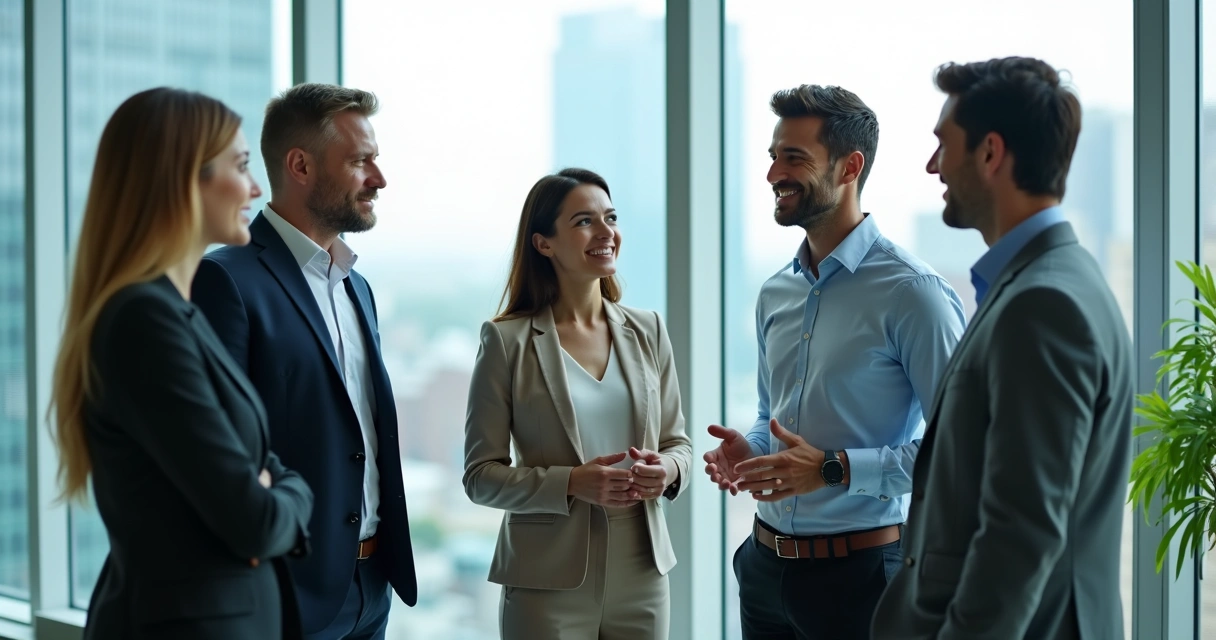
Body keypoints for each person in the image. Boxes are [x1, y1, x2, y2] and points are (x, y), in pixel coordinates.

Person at [871, 57, 1134, 640]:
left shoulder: (1044, 304)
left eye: (944, 144)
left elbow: (1021, 532)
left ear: (990, 153)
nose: (933, 165)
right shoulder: (1054, 280)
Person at [701, 85, 966, 639]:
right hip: (763, 572)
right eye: (773, 156)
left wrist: (832, 467)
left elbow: (959, 452)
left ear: (850, 167)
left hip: (861, 581)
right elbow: (772, 414)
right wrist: (753, 450)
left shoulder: (913, 294)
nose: (774, 173)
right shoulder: (775, 292)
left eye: (794, 158)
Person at [49, 87, 313, 640]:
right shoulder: (144, 322)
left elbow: (261, 475)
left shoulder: (177, 313)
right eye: (241, 166)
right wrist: (289, 493)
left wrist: (272, 483)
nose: (256, 188)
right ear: (183, 181)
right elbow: (254, 519)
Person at [191, 83, 415, 640]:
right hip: (288, 593)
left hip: (374, 587)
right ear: (300, 166)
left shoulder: (358, 288)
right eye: (360, 161)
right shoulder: (225, 279)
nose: (379, 179)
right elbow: (220, 453)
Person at [463, 168, 693, 640]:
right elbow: (479, 477)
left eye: (611, 218)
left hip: (642, 572)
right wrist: (571, 483)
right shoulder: (506, 341)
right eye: (585, 221)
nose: (606, 232)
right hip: (545, 577)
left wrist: (668, 470)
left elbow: (678, 444)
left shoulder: (648, 330)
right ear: (543, 243)